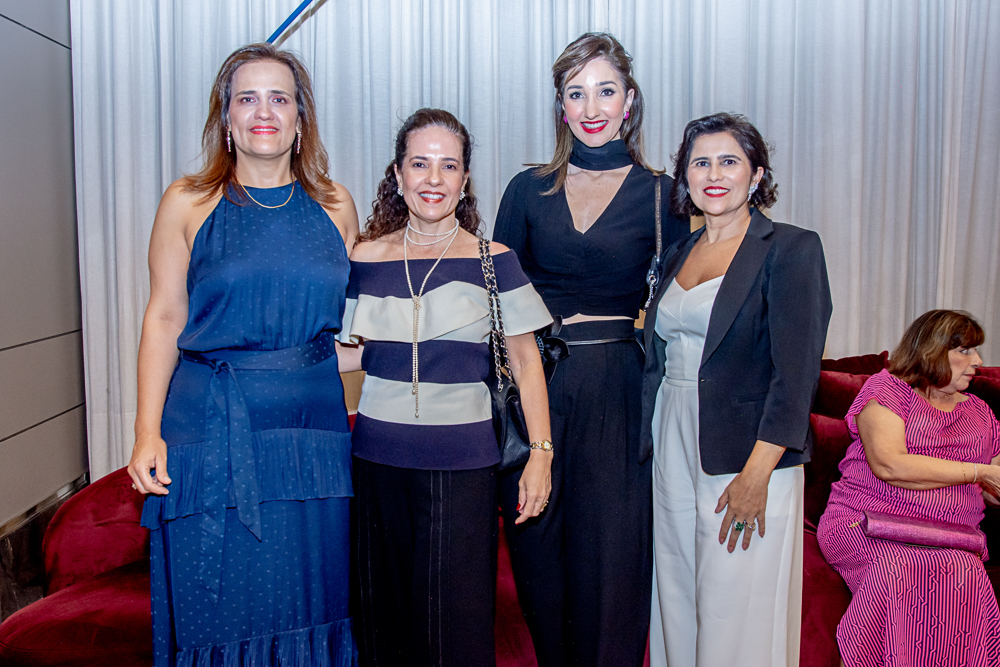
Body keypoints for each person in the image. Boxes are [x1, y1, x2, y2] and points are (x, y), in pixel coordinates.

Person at [126, 43, 359, 665]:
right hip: (209, 428)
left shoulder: (336, 206)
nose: (264, 112)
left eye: (279, 98)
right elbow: (164, 316)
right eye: (247, 98)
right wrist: (147, 431)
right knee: (222, 609)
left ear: (301, 118)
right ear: (225, 118)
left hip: (314, 437)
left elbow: (353, 331)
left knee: (315, 604)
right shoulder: (188, 201)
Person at [492, 32, 688, 666]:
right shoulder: (526, 189)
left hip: (617, 389)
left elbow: (684, 304)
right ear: (561, 105)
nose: (592, 106)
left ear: (629, 101)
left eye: (606, 90)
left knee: (612, 566)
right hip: (534, 385)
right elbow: (494, 303)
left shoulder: (663, 196)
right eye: (576, 93)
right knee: (538, 551)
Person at [340, 108, 553, 667]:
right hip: (375, 460)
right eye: (420, 164)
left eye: (448, 166)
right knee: (382, 618)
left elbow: (528, 364)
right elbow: (347, 353)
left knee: (454, 626)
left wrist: (541, 455)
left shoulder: (494, 260)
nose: (433, 179)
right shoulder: (364, 258)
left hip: (463, 464)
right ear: (398, 173)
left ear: (464, 180)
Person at [640, 112, 832, 666]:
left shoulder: (791, 249)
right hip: (672, 441)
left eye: (730, 161)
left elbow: (795, 376)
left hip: (748, 453)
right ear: (686, 178)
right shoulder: (677, 253)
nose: (714, 173)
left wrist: (757, 475)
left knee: (734, 606)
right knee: (676, 594)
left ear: (756, 175)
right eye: (701, 162)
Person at [817, 310, 1000, 666]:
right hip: (867, 524)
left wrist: (992, 483)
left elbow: (993, 482)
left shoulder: (980, 412)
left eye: (976, 351)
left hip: (951, 537)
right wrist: (978, 471)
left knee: (967, 574)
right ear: (931, 350)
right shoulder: (887, 390)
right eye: (963, 350)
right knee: (899, 569)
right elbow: (890, 464)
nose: (976, 361)